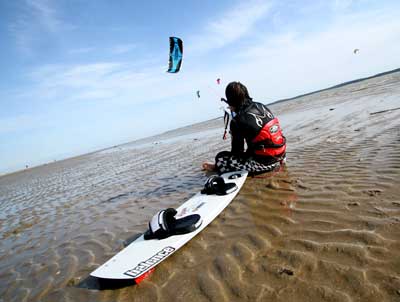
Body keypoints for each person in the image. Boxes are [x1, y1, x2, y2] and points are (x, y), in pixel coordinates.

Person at [202, 82, 286, 175]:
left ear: (230, 101)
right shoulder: (261, 105)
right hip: (281, 156)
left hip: (266, 163)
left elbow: (237, 152)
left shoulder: (237, 120)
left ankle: (216, 168)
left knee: (221, 158)